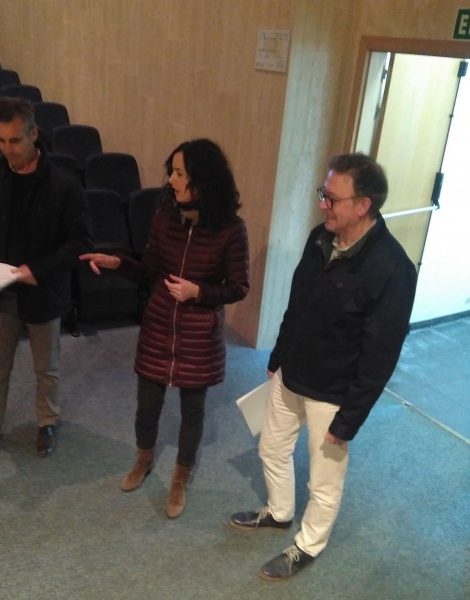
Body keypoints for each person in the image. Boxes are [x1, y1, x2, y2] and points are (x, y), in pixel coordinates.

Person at [229, 153, 417, 580]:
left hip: (333, 394)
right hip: (291, 374)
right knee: (271, 448)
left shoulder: (392, 269)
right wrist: (278, 356)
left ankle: (307, 545)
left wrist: (349, 419)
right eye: (323, 194)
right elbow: (297, 303)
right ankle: (278, 512)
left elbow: (380, 356)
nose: (322, 205)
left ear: (363, 205)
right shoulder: (321, 238)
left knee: (323, 480)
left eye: (331, 198)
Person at [80, 138, 249, 518]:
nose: (170, 180)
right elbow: (149, 270)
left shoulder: (231, 230)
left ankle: (180, 478)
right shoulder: (164, 217)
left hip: (199, 333)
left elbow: (239, 287)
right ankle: (143, 459)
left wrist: (198, 292)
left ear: (202, 179)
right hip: (158, 326)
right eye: (171, 172)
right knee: (147, 407)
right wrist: (118, 262)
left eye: (179, 173)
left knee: (193, 411)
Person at [0, 96, 93, 464]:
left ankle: (47, 423)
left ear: (34, 134)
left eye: (15, 140)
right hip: (0, 290)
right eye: (0, 140)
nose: (7, 149)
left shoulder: (63, 184)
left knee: (46, 369)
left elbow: (80, 243)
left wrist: (38, 270)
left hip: (42, 290)